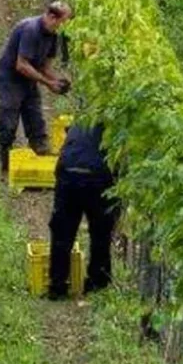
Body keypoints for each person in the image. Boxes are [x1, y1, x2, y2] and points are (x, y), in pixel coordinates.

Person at [0, 1, 72, 177]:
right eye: (63, 22)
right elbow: (21, 65)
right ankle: (6, 161)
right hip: (10, 78)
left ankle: (41, 153)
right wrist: (47, 83)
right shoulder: (30, 29)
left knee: (34, 115)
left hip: (28, 78)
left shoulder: (53, 35)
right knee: (8, 118)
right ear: (52, 17)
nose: (65, 27)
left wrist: (58, 80)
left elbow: (44, 66)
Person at [48, 121, 118, 300]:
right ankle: (97, 283)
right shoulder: (120, 122)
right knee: (101, 231)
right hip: (97, 175)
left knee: (62, 231)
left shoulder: (83, 117)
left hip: (68, 170)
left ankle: (57, 286)